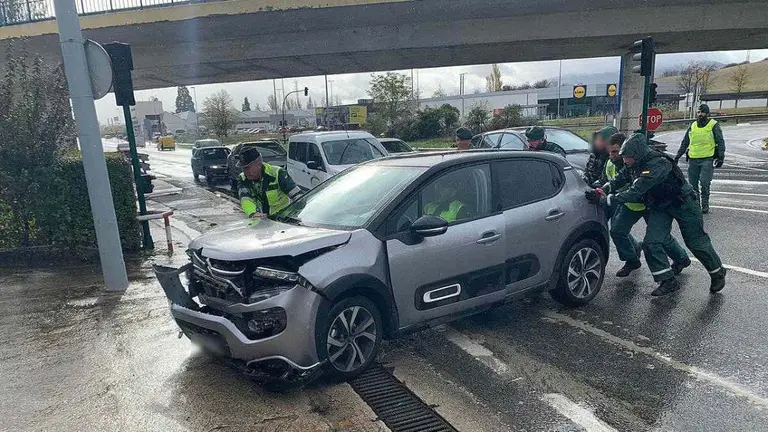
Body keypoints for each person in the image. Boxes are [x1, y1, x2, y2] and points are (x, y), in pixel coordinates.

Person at [586, 133, 726, 296]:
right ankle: (667, 280)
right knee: (652, 242)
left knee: (696, 242)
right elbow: (620, 179)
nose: (625, 161)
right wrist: (604, 189)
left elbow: (636, 190)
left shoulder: (658, 163)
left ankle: (717, 272)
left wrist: (606, 200)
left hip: (683, 203)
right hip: (661, 205)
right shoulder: (634, 164)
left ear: (637, 154)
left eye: (628, 157)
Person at [600, 133, 690, 278]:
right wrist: (602, 189)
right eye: (610, 152)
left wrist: (610, 198)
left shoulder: (641, 162)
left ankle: (681, 259)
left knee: (660, 237)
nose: (612, 156)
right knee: (617, 231)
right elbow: (612, 180)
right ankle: (632, 260)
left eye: (616, 152)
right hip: (629, 203)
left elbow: (637, 189)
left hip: (649, 203)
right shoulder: (615, 163)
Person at [675, 104, 725, 213]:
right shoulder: (692, 126)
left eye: (702, 112)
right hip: (693, 158)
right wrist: (678, 156)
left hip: (707, 159)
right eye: (698, 112)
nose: (700, 114)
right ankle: (696, 205)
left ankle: (705, 204)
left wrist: (721, 157)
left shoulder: (713, 125)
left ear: (707, 114)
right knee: (693, 184)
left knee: (704, 182)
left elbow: (720, 141)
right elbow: (685, 142)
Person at [237, 147, 302, 218]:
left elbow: (298, 197)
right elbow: (245, 199)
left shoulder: (278, 173)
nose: (245, 171)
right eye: (243, 168)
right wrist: (252, 213)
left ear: (259, 164)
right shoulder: (243, 178)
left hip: (282, 221)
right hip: (260, 221)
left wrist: (293, 214)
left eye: (247, 168)